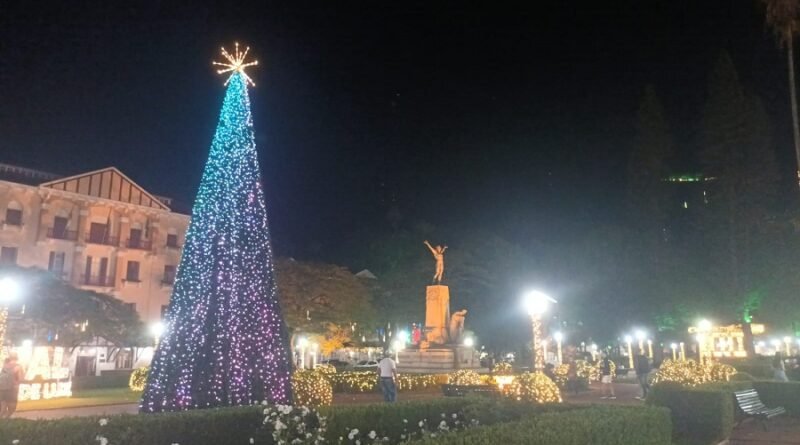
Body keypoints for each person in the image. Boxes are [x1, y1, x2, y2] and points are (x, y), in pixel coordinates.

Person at [0, 353, 25, 418]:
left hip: (2, 389)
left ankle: (2, 421)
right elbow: (21, 379)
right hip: (12, 389)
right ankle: (6, 420)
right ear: (17, 358)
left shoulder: (5, 366)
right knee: (12, 409)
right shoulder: (18, 367)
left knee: (2, 409)